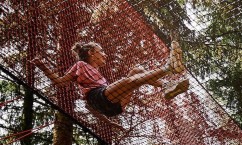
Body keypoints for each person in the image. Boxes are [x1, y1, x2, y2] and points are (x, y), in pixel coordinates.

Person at [32, 41, 189, 117]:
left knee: (137, 71)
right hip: (99, 97)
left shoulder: (98, 74)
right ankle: (169, 68)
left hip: (115, 107)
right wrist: (41, 65)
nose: (105, 54)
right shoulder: (80, 65)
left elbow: (94, 109)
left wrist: (108, 121)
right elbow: (59, 82)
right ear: (91, 53)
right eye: (101, 51)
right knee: (129, 81)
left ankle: (167, 86)